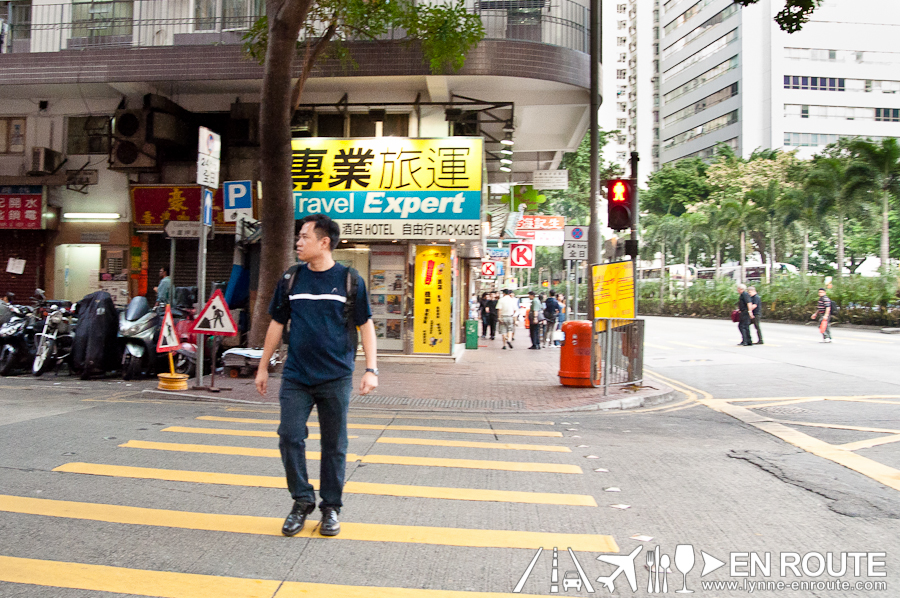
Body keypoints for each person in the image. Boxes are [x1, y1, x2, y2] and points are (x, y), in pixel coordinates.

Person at [256, 214, 378, 538]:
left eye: (304, 237)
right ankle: (301, 501)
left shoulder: (350, 280)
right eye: (298, 237)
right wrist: (263, 365)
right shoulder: (292, 279)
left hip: (336, 376)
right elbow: (277, 323)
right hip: (296, 375)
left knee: (334, 445)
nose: (298, 242)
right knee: (289, 436)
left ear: (324, 242)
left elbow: (366, 326)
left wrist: (370, 369)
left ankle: (330, 508)